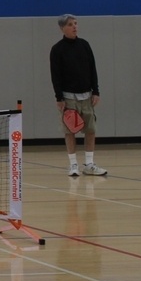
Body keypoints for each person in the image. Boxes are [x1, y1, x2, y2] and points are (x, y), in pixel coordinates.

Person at [49, 14, 107, 177]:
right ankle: (73, 165)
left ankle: (89, 164)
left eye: (75, 23)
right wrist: (58, 97)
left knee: (90, 130)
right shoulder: (57, 49)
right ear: (62, 28)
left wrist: (95, 91)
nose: (74, 27)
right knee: (70, 132)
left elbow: (92, 69)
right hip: (68, 98)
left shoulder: (84, 45)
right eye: (70, 24)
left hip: (87, 97)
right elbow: (55, 75)